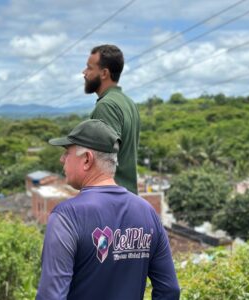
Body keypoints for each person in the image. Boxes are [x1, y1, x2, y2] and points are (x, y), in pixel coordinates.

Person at [36, 119, 180, 300]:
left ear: (87, 159)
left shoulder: (66, 217)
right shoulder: (147, 212)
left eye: (67, 152)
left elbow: (51, 296)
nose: (62, 159)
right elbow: (170, 290)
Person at [83, 44, 140, 194]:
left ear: (104, 73)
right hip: (125, 198)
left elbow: (103, 164)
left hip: (111, 201)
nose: (84, 73)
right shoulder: (128, 103)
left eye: (89, 68)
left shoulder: (106, 106)